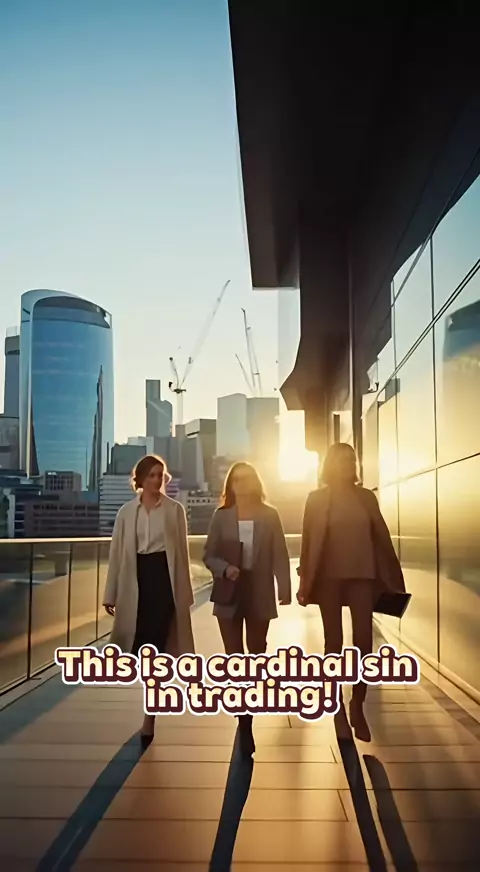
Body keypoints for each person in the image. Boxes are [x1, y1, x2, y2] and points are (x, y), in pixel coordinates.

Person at [297, 442, 406, 742]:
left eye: (351, 459)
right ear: (330, 464)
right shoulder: (316, 499)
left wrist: (393, 577)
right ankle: (335, 705)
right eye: (341, 459)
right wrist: (304, 582)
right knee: (333, 641)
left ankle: (357, 703)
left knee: (363, 641)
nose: (348, 463)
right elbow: (308, 543)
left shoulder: (366, 497)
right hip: (328, 579)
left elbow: (381, 537)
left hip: (363, 575)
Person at [103, 454, 195, 748]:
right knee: (142, 650)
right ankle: (152, 700)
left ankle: (149, 716)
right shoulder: (126, 513)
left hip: (163, 582)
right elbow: (117, 554)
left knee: (157, 648)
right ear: (141, 479)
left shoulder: (174, 510)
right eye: (152, 475)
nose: (157, 480)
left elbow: (182, 555)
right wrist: (110, 593)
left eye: (160, 475)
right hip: (135, 581)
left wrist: (184, 594)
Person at [203, 461, 291, 757]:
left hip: (259, 589)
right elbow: (209, 554)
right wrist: (225, 568)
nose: (242, 484)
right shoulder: (221, 516)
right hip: (229, 589)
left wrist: (285, 587)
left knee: (256, 653)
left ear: (255, 482)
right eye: (237, 479)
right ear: (231, 485)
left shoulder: (270, 515)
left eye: (247, 478)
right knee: (234, 657)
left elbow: (280, 553)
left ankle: (247, 712)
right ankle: (244, 722)